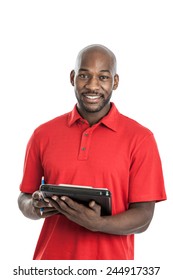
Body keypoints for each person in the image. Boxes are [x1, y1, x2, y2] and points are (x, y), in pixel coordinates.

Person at [18, 44, 166, 260]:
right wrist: (35, 205)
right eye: (84, 75)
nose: (93, 86)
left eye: (103, 77)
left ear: (115, 82)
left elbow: (144, 217)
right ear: (72, 77)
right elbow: (24, 197)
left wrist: (98, 224)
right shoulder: (43, 134)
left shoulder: (141, 138)